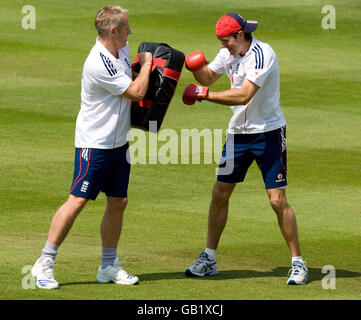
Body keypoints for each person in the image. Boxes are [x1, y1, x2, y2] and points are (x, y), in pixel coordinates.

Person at [31, 6, 153, 289]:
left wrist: (140, 67)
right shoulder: (98, 62)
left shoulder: (121, 49)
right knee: (77, 201)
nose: (130, 32)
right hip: (95, 144)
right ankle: (44, 262)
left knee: (118, 201)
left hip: (118, 143)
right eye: (126, 28)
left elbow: (130, 80)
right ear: (113, 31)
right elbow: (135, 91)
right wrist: (147, 66)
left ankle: (108, 266)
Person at [182, 13, 308, 285]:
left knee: (276, 200)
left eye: (225, 39)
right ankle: (209, 258)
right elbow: (207, 78)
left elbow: (243, 94)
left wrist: (204, 95)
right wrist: (193, 66)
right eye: (220, 40)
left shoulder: (263, 55)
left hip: (269, 134)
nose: (223, 45)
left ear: (240, 35)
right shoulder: (227, 53)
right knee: (220, 192)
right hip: (237, 135)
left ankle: (298, 264)